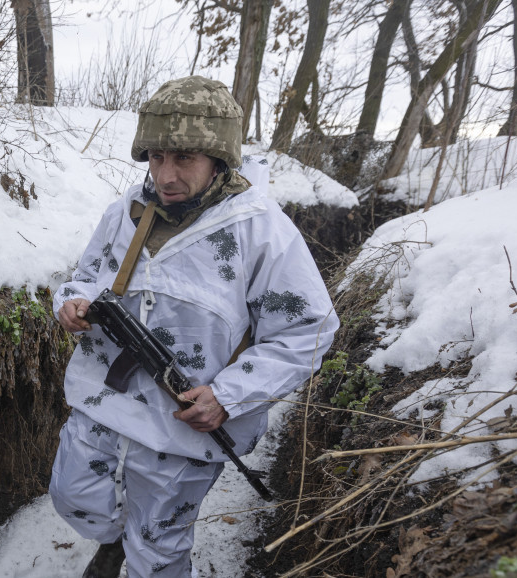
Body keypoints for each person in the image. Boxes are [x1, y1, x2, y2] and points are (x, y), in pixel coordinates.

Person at [49, 76, 339, 577]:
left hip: (185, 425)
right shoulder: (125, 212)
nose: (166, 174)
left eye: (184, 158)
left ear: (219, 160)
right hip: (103, 399)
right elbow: (83, 275)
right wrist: (71, 301)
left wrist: (229, 395)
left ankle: (141, 547)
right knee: (72, 497)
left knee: (157, 552)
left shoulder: (261, 229)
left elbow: (306, 330)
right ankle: (118, 538)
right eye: (157, 157)